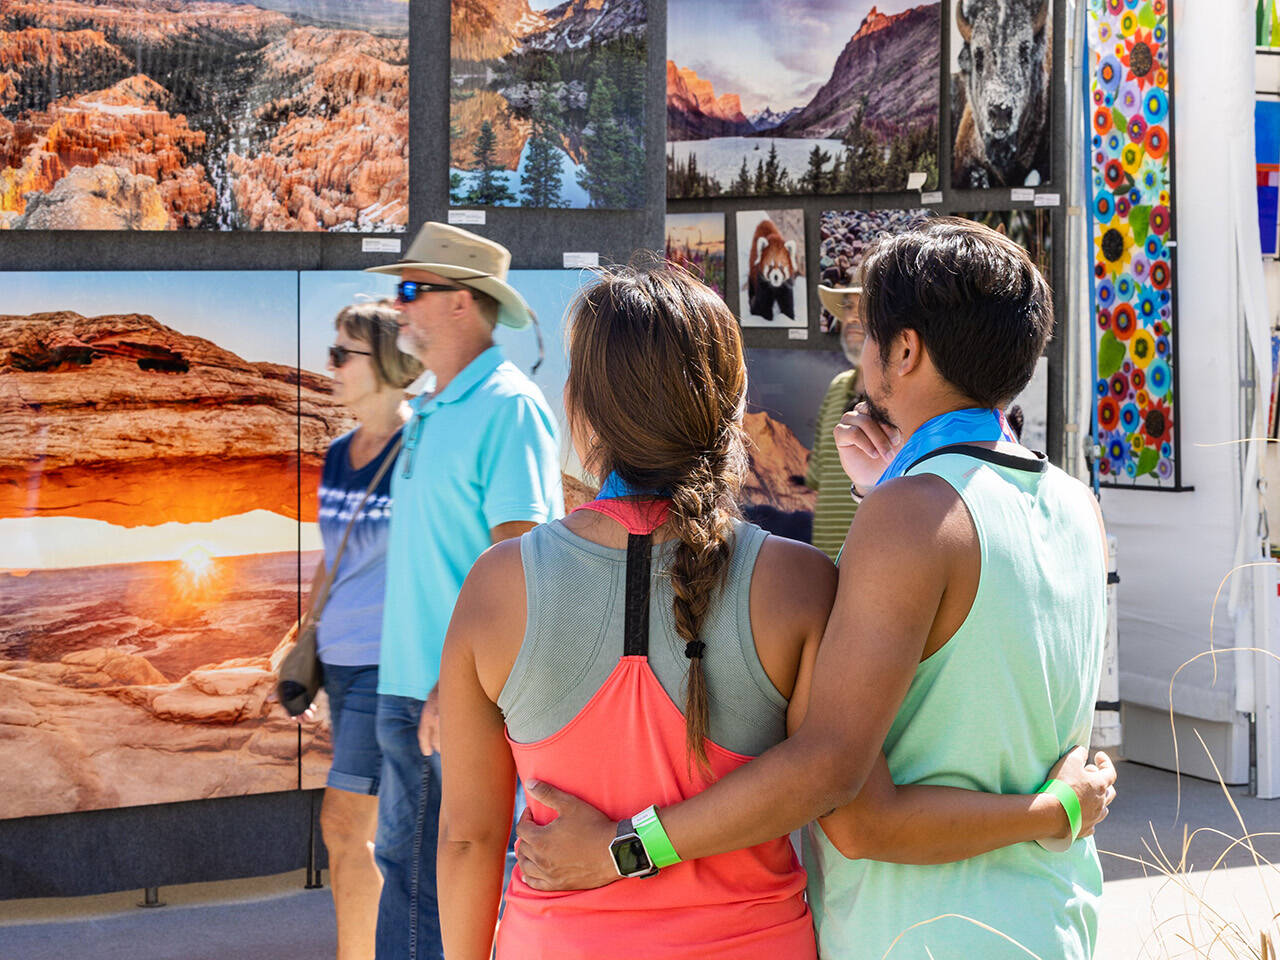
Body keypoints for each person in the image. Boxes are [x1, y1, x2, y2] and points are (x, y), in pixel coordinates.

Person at [439, 261, 1115, 960]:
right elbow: (826, 776)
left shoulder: (496, 586)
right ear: (733, 405)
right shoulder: (799, 581)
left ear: (579, 403)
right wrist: (1061, 808)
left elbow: (469, 838)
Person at [364, 222, 565, 960]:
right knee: (410, 877)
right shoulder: (435, 407)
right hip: (409, 690)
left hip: (452, 701)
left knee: (435, 889)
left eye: (414, 290)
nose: (400, 305)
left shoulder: (508, 407)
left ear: (464, 305)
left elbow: (521, 558)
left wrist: (457, 689)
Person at [307, 302, 423, 960]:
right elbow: (335, 554)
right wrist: (303, 637)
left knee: (345, 826)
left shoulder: (421, 449)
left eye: (342, 353)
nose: (331, 366)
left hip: (390, 667)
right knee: (366, 833)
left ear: (382, 362)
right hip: (342, 662)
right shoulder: (336, 456)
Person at [806, 282, 867, 560]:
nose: (852, 318)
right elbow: (818, 481)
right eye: (849, 307)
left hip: (875, 567)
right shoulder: (837, 387)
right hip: (825, 564)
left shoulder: (900, 397)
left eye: (864, 309)